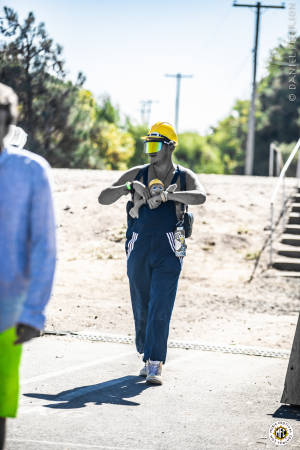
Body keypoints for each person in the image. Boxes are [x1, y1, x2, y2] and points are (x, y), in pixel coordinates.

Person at [98, 122, 206, 385]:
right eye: (148, 144)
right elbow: (103, 197)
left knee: (161, 302)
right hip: (139, 242)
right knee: (141, 302)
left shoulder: (184, 176)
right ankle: (146, 352)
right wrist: (128, 187)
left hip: (173, 242)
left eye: (155, 145)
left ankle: (155, 363)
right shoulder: (139, 173)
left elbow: (201, 196)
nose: (150, 150)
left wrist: (172, 197)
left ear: (170, 147)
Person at [0, 83, 56, 450]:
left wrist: (34, 312)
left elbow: (44, 246)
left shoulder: (30, 170)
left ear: (9, 121)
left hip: (5, 314)